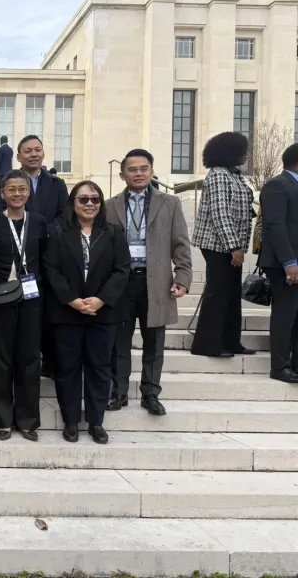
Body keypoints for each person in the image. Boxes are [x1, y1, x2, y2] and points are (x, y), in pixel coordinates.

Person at [106, 149, 192, 415]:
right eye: (132, 169)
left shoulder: (170, 203)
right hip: (121, 283)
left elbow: (180, 243)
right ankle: (118, 392)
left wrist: (183, 277)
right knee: (118, 340)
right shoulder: (110, 206)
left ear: (152, 172)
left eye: (144, 168)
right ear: (122, 175)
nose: (139, 173)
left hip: (155, 283)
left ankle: (151, 393)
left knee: (154, 341)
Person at [43, 181, 130, 444]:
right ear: (73, 203)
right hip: (67, 313)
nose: (89, 204)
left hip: (102, 314)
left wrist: (101, 300)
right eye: (83, 199)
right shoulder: (57, 232)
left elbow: (122, 269)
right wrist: (72, 300)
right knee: (68, 368)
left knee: (99, 368)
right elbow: (51, 269)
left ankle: (96, 421)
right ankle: (70, 420)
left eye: (95, 199)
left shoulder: (114, 233)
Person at [0, 135, 68, 379]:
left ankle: (47, 359)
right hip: (16, 259)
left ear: (43, 154)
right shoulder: (9, 182)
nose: (33, 154)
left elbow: (64, 216)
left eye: (38, 150)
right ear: (19, 156)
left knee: (45, 310)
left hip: (47, 254)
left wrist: (40, 230)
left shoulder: (57, 184)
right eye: (28, 151)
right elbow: (0, 212)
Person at [0, 170, 47, 441]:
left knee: (30, 358)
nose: (17, 194)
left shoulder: (40, 223)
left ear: (29, 192)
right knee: (1, 358)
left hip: (32, 299)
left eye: (22, 189)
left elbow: (47, 261)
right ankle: (2, 418)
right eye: (11, 189)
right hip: (1, 298)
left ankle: (27, 419)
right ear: (2, 193)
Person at [190, 132, 256, 359]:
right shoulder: (218, 175)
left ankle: (231, 341)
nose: (245, 155)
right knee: (217, 294)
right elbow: (220, 213)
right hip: (217, 245)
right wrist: (234, 247)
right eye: (242, 151)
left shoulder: (235, 176)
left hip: (231, 245)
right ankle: (207, 345)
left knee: (231, 293)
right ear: (229, 152)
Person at [259, 143, 298, 383]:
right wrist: (290, 262)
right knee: (285, 313)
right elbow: (276, 226)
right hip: (285, 263)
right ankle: (279, 366)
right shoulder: (277, 185)